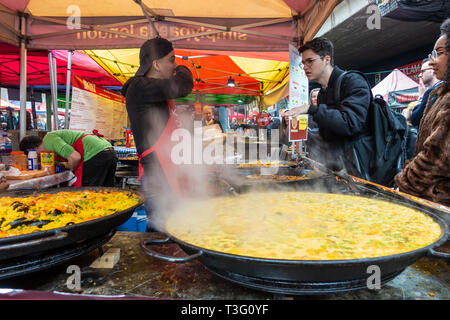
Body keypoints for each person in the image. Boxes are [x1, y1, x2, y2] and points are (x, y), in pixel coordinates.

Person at [121, 37, 193, 215]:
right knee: (162, 232)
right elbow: (184, 85)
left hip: (169, 171)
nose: (174, 66)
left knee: (176, 228)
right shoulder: (139, 87)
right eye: (171, 59)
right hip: (157, 175)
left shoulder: (155, 91)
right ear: (156, 65)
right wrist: (183, 67)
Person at [284, 37, 372, 174]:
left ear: (326, 59)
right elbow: (327, 135)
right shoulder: (322, 93)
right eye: (303, 63)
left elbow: (350, 123)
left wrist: (310, 109)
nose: (305, 67)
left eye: (310, 61)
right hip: (336, 170)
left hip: (361, 171)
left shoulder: (353, 81)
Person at [395, 18, 450, 206]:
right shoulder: (442, 93)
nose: (432, 61)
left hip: (440, 205)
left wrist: (403, 183)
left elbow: (434, 158)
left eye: (439, 53)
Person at [19, 129, 117, 187]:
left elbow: (75, 157)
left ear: (29, 151)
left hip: (94, 153)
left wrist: (72, 169)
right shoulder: (48, 149)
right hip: (108, 150)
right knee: (107, 189)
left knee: (90, 192)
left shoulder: (49, 139)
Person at [410, 58, 442, 127]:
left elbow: (414, 119)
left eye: (422, 71)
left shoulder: (431, 92)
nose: (420, 75)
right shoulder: (443, 87)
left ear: (433, 70)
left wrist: (421, 97)